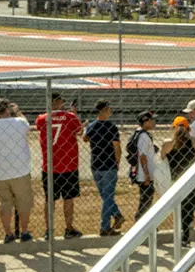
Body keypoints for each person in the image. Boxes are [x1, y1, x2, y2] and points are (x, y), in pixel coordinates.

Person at [0, 98, 34, 243]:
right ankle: (24, 231)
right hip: (20, 171)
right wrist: (16, 111)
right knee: (23, 203)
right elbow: (26, 123)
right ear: (7, 110)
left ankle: (8, 233)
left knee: (5, 204)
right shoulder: (19, 122)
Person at [35, 93, 83, 239]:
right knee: (68, 198)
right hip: (69, 164)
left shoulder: (42, 118)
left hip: (50, 165)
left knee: (50, 199)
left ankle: (49, 230)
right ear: (59, 102)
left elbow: (39, 127)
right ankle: (68, 228)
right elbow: (79, 131)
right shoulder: (70, 117)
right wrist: (73, 113)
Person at [83, 100, 124, 236]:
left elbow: (85, 138)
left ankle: (117, 215)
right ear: (106, 110)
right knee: (108, 196)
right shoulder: (111, 127)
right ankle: (105, 226)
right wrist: (117, 161)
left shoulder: (92, 126)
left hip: (96, 164)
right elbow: (116, 146)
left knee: (105, 195)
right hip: (108, 164)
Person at [161, 116, 195, 240]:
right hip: (190, 178)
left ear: (173, 127)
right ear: (188, 128)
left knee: (180, 207)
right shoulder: (192, 141)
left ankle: (181, 233)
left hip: (175, 179)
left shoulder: (168, 143)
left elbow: (161, 157)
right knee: (189, 206)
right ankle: (186, 235)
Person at [131, 112, 157, 221]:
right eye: (152, 120)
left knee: (146, 199)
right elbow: (142, 156)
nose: (154, 122)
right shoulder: (143, 136)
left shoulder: (142, 134)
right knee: (146, 200)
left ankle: (143, 221)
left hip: (144, 174)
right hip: (144, 175)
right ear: (145, 121)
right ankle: (140, 220)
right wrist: (146, 175)